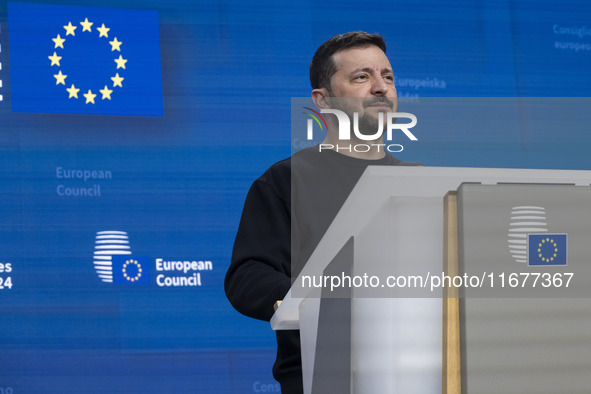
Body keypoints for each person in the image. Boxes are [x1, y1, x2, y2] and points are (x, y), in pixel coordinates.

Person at [225, 31, 420, 394]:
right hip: (325, 374)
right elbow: (247, 275)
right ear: (323, 99)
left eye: (387, 77)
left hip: (420, 371)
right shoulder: (287, 180)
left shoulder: (419, 183)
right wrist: (314, 300)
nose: (381, 88)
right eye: (362, 77)